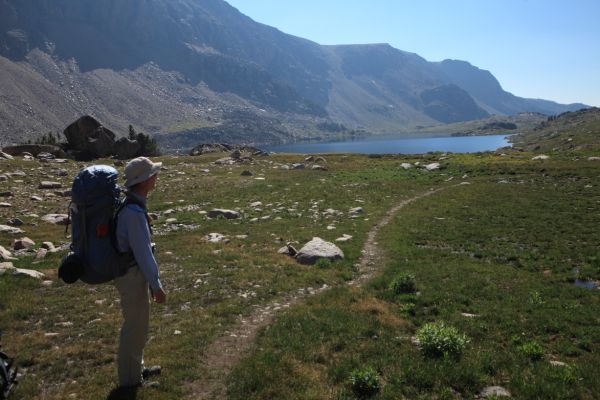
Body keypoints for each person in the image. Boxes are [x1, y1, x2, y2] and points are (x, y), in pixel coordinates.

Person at [114, 156, 167, 389]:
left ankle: (136, 369)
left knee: (138, 324)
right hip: (132, 275)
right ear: (145, 181)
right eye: (153, 174)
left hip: (129, 273)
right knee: (135, 326)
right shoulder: (134, 214)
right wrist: (156, 285)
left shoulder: (130, 206)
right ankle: (130, 381)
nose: (156, 177)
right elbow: (144, 253)